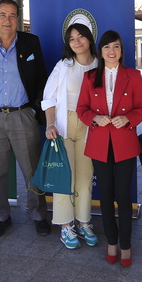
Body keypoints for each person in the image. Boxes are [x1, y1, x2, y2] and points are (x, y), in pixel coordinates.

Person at [0, 0, 50, 238]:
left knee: (31, 172)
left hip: (22, 115)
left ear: (18, 19)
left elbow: (42, 80)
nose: (7, 20)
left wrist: (34, 111)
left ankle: (38, 214)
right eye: (3, 15)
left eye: (12, 15)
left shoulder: (30, 42)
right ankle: (2, 216)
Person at [76, 30, 142, 267]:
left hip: (124, 144)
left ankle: (126, 244)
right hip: (99, 144)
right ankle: (112, 242)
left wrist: (128, 119)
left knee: (124, 196)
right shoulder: (89, 77)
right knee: (105, 196)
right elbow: (82, 109)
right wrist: (95, 118)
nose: (111, 51)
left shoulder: (133, 75)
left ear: (121, 50)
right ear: (101, 51)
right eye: (107, 47)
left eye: (116, 47)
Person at [42, 23, 99, 250]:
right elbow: (49, 97)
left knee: (85, 179)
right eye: (72, 38)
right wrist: (50, 124)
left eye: (81, 37)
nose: (77, 42)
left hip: (89, 127)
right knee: (65, 177)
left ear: (89, 39)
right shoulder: (63, 66)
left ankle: (84, 222)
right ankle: (66, 225)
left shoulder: (99, 64)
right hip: (64, 125)